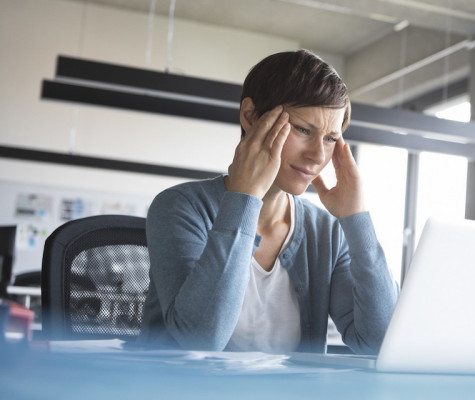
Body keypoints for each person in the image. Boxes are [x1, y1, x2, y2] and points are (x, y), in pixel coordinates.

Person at [138, 49, 398, 355]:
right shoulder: (181, 207)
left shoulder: (326, 232)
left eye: (330, 138)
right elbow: (200, 339)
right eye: (303, 130)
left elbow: (380, 343)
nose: (317, 155)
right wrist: (245, 199)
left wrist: (356, 219)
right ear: (251, 116)